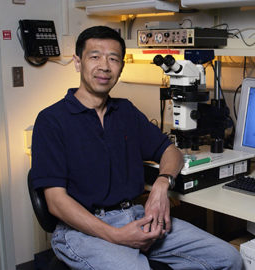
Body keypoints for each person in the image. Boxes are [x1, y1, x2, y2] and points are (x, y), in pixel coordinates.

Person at [30, 25, 243, 270]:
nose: (104, 66)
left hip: (136, 216)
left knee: (229, 258)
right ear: (78, 62)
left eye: (113, 59)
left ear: (121, 67)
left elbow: (170, 152)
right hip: (82, 231)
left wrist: (162, 185)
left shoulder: (125, 111)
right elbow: (56, 202)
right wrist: (116, 235)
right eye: (95, 56)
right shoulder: (52, 120)